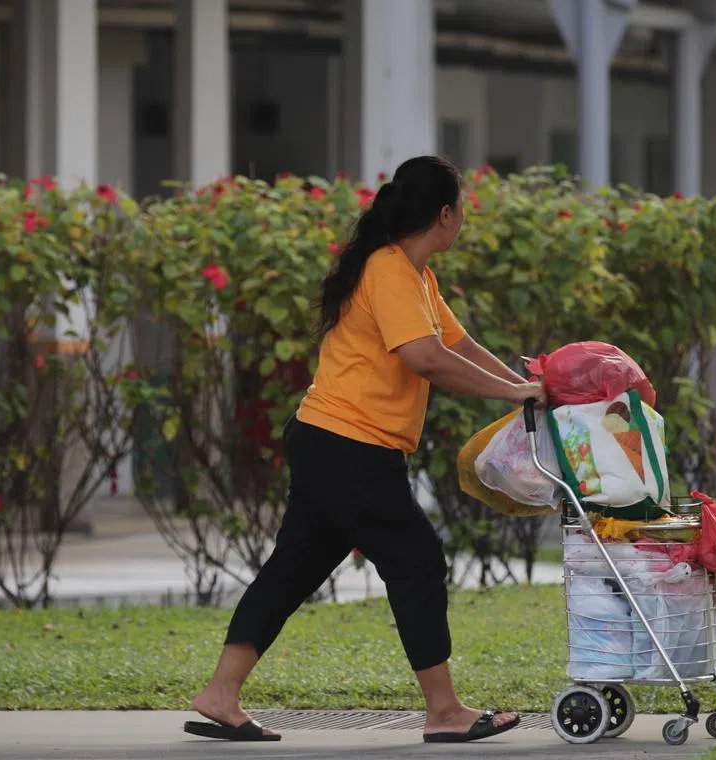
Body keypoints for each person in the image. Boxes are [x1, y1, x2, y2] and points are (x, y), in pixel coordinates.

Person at [182, 155, 546, 744]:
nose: (464, 220)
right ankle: (444, 711)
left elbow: (457, 344)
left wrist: (526, 389)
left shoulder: (415, 275)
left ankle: (220, 695)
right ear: (445, 214)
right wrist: (515, 393)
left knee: (293, 568)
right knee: (417, 560)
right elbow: (424, 358)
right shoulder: (389, 269)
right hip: (349, 445)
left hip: (331, 440)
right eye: (463, 210)